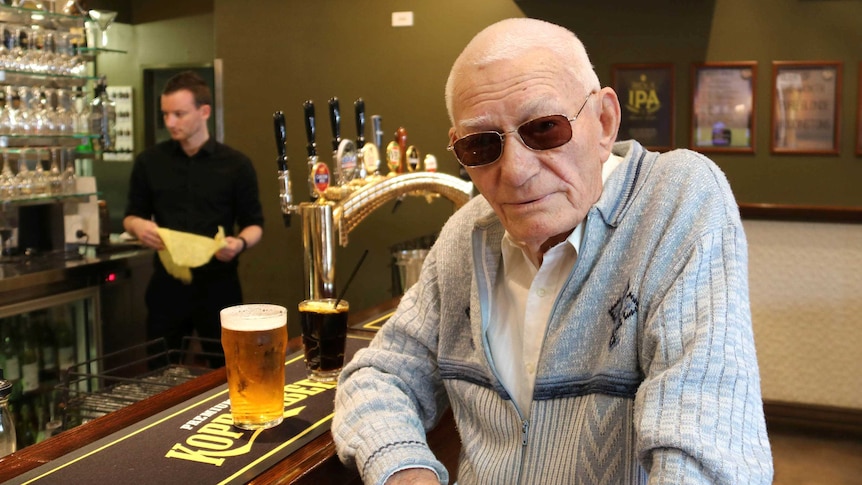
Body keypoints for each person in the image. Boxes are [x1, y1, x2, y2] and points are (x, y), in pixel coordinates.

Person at [332, 18, 773, 485]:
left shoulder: (676, 200)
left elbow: (703, 453)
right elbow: (380, 376)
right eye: (482, 144)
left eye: (543, 129)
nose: (516, 172)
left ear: (604, 122)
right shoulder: (467, 236)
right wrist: (405, 469)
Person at [123, 71, 264, 368]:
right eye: (165, 114)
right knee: (160, 374)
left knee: (228, 370)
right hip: (167, 285)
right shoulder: (150, 162)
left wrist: (238, 243)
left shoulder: (236, 164)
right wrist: (138, 226)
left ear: (204, 112)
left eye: (179, 114)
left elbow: (255, 224)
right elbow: (131, 216)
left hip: (219, 285)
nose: (170, 122)